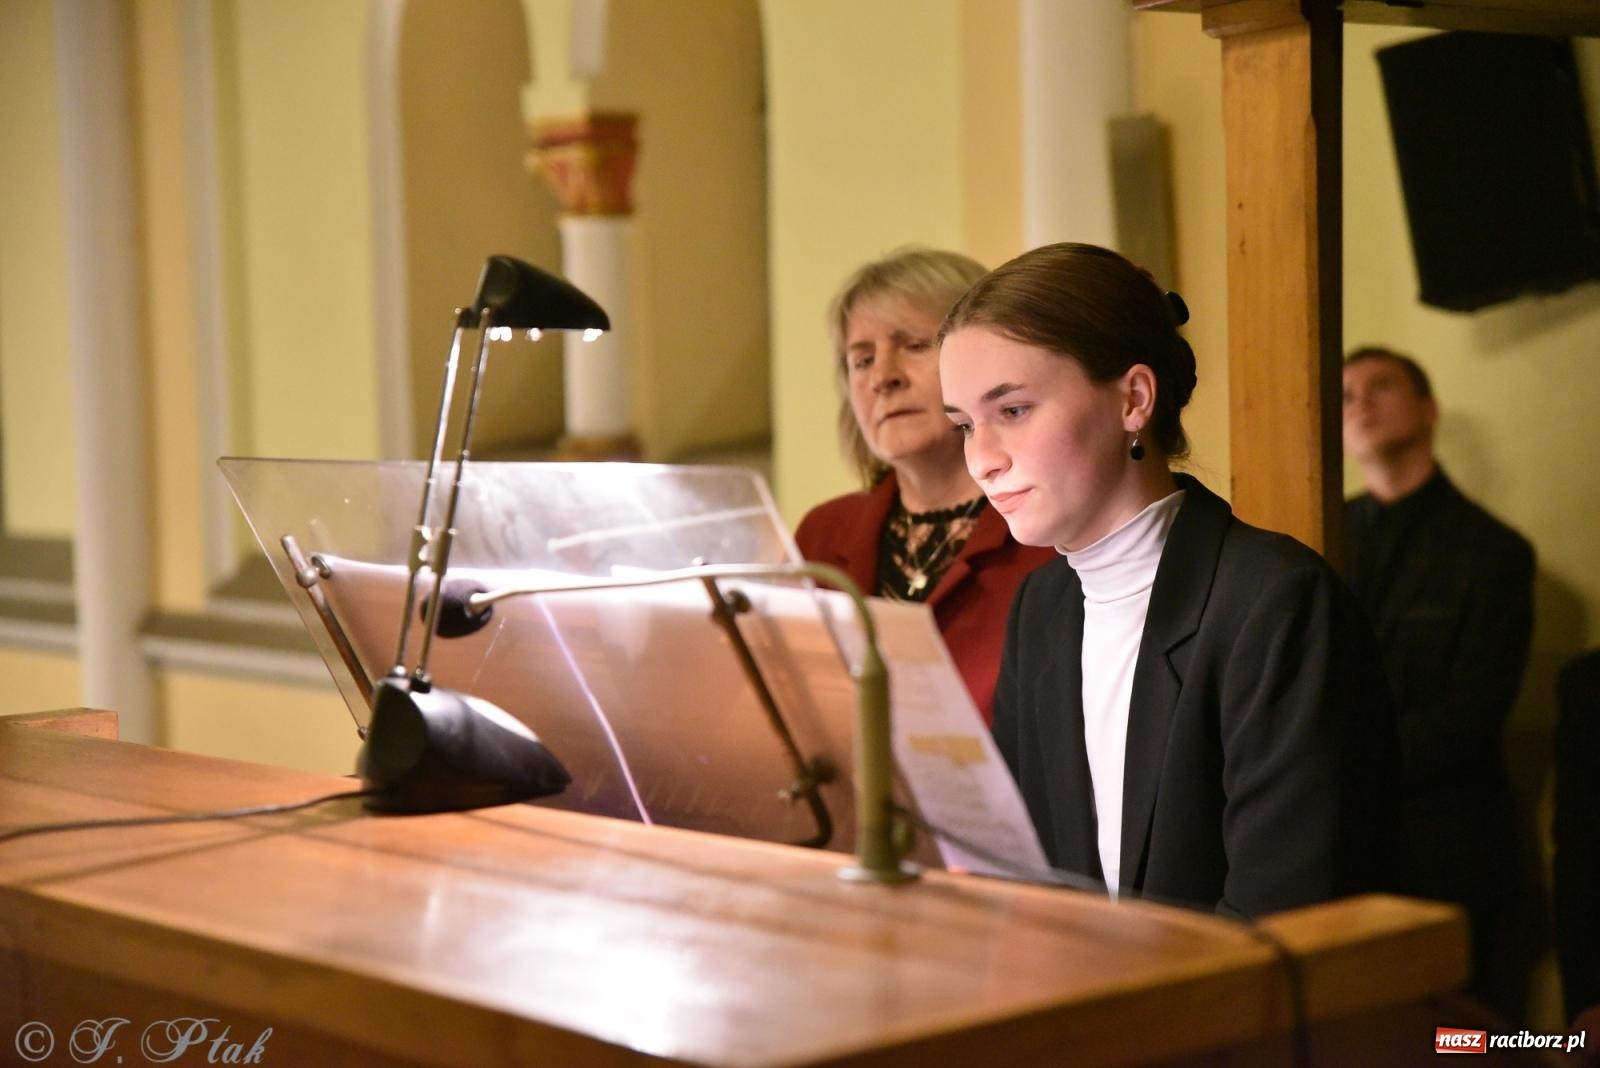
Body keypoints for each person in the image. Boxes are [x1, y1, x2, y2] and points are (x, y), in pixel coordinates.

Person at [938, 242, 1402, 918]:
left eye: (1012, 411)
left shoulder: (1275, 603)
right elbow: (1030, 886)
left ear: (1133, 398)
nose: (981, 459)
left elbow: (1279, 919)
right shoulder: (1042, 607)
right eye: (963, 425)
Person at [1341, 345, 1536, 1020]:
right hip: (1344, 851)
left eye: (1381, 386)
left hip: (1448, 852)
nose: (1359, 403)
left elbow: (1473, 714)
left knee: (1466, 1045)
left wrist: (1339, 762)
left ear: (1428, 410)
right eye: (1344, 395)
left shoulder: (1493, 551)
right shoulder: (1316, 538)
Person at [795, 248, 1056, 725]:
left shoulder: (1047, 530)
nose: (883, 377)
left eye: (914, 345)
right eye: (861, 359)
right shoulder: (821, 535)